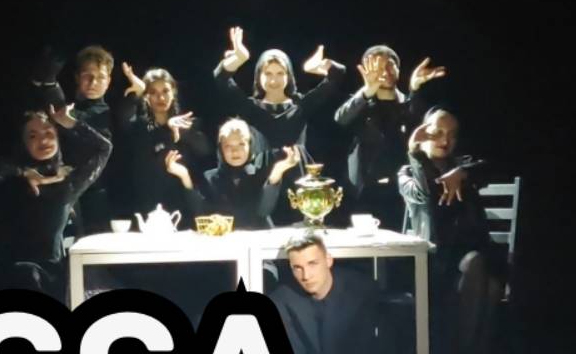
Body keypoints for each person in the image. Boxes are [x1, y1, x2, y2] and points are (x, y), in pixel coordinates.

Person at [399, 107, 503, 354]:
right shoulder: (407, 172)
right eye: (438, 133)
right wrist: (416, 153)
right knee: (489, 286)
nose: (446, 141)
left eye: (452, 135)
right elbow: (425, 194)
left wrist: (463, 172)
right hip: (436, 262)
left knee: (481, 268)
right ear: (424, 134)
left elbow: (494, 166)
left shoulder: (463, 164)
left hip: (473, 255)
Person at [0, 106, 112, 300]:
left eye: (49, 133)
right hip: (14, 273)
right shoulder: (11, 178)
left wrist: (70, 122)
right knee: (27, 274)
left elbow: (104, 148)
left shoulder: (68, 183)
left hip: (53, 274)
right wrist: (23, 172)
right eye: (33, 136)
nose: (43, 140)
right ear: (23, 143)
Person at [334, 45, 446, 229]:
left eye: (390, 66)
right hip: (364, 193)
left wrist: (415, 88)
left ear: (398, 69)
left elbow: (417, 124)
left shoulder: (409, 104)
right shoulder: (361, 104)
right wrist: (367, 90)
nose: (385, 72)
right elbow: (341, 118)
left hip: (402, 192)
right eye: (379, 67)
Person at [212, 26, 347, 156]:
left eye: (280, 73)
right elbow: (221, 77)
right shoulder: (250, 107)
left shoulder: (301, 106)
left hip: (297, 171)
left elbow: (338, 73)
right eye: (268, 74)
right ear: (258, 76)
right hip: (261, 172)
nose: (273, 80)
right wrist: (239, 58)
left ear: (289, 76)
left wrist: (315, 67)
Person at [62, 45, 145, 234]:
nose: (93, 82)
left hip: (103, 198)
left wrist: (137, 93)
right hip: (67, 195)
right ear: (77, 77)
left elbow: (127, 120)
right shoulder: (65, 111)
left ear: (108, 81)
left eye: (100, 77)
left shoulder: (112, 112)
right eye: (87, 76)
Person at [164, 118, 302, 229]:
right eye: (228, 146)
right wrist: (184, 176)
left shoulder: (261, 174)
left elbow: (263, 211)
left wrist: (278, 171)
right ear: (221, 149)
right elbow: (200, 212)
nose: (235, 151)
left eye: (241, 144)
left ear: (250, 146)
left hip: (257, 244)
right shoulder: (210, 178)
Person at [121, 68, 211, 221]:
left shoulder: (185, 124)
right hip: (146, 210)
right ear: (146, 96)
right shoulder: (140, 126)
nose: (160, 97)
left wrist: (182, 131)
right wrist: (136, 95)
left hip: (182, 210)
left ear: (173, 91)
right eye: (153, 92)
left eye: (165, 91)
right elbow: (123, 121)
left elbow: (206, 151)